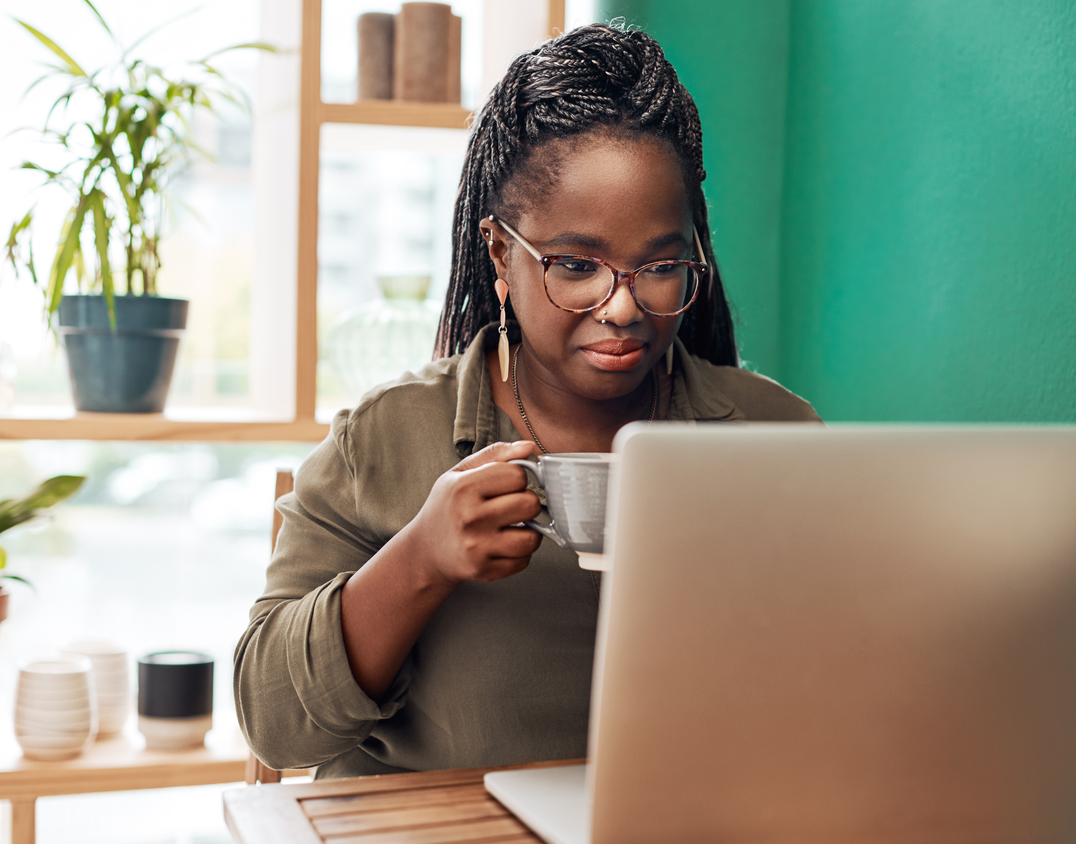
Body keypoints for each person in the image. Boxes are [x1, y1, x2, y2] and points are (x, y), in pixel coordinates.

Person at [234, 21, 821, 779]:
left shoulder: (778, 436)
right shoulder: (385, 437)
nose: (622, 307)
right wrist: (421, 560)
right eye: (577, 265)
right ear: (500, 253)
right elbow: (273, 727)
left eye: (661, 265)